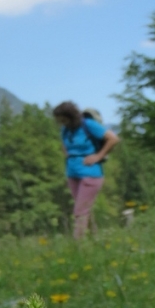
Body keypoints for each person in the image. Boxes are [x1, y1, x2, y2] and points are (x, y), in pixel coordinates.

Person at [53, 102, 120, 239]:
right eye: (59, 121)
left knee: (80, 211)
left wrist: (98, 156)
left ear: (71, 117)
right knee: (85, 211)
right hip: (72, 174)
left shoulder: (88, 124)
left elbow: (113, 139)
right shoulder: (65, 129)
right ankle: (94, 242)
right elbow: (65, 146)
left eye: (63, 120)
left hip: (90, 174)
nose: (61, 123)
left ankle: (78, 245)